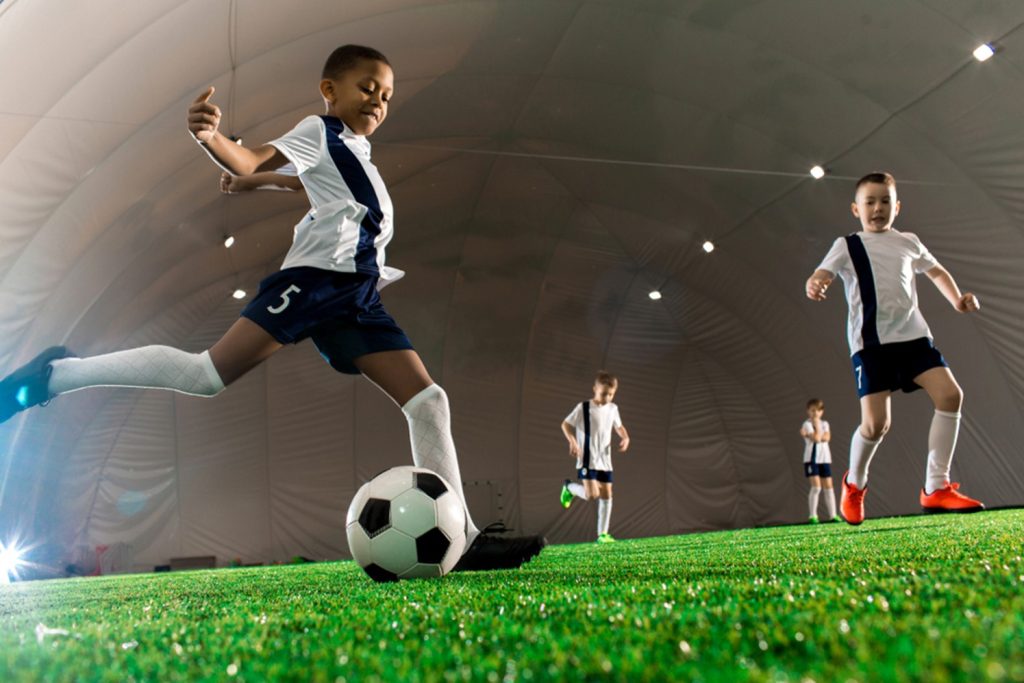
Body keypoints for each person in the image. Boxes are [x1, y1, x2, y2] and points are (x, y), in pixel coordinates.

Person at [0, 44, 544, 570]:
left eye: (387, 95)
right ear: (330, 90)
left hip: (358, 297)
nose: (378, 100)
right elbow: (254, 152)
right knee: (206, 375)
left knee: (428, 401)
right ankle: (53, 376)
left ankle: (464, 541)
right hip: (315, 285)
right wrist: (214, 140)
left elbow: (314, 187)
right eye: (367, 88)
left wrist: (254, 183)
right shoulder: (320, 129)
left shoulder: (355, 150)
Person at [805, 171, 984, 525]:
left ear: (897, 206)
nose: (877, 208)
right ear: (855, 209)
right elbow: (822, 273)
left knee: (951, 396)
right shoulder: (847, 245)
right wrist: (815, 283)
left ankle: (936, 486)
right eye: (869, 202)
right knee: (876, 426)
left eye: (885, 201)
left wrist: (957, 300)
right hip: (871, 348)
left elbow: (936, 272)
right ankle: (854, 483)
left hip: (915, 339)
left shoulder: (908, 242)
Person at [559, 371, 630, 543]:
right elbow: (565, 424)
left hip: (605, 461)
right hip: (587, 460)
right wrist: (573, 441)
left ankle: (602, 535)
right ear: (594, 389)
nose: (607, 397)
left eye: (611, 394)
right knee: (592, 495)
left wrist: (625, 437)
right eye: (604, 393)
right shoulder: (583, 408)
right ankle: (569, 488)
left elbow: (619, 426)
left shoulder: (613, 409)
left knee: (607, 494)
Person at [800, 398, 839, 524]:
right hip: (811, 459)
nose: (815, 413)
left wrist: (816, 434)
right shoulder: (806, 424)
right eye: (812, 411)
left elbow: (826, 437)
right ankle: (813, 516)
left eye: (818, 410)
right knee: (816, 487)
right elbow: (817, 438)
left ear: (822, 411)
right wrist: (816, 426)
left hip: (824, 458)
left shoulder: (825, 424)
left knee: (829, 487)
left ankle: (833, 515)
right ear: (808, 412)